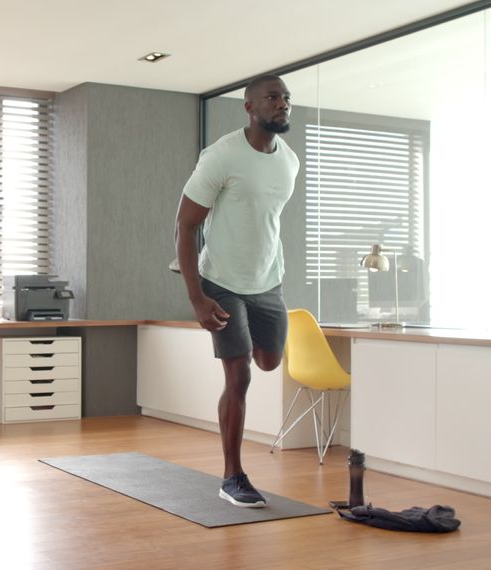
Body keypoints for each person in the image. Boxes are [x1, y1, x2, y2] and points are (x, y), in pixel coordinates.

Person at [173, 74, 299, 508]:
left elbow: (266, 222)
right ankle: (233, 476)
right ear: (249, 107)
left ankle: (234, 471)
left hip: (268, 282)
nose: (281, 103)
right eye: (271, 97)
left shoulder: (290, 161)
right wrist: (197, 297)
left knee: (268, 360)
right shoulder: (221, 156)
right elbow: (186, 225)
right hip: (222, 282)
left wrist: (271, 276)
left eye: (285, 98)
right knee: (239, 374)